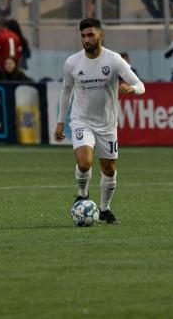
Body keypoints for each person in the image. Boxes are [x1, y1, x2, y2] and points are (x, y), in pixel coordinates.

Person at [54, 18, 145, 224]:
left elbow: (140, 84)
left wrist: (132, 89)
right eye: (83, 36)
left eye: (90, 35)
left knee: (109, 169)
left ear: (100, 35)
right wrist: (61, 122)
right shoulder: (72, 62)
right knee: (84, 163)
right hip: (81, 121)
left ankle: (105, 209)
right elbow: (66, 91)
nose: (86, 39)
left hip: (107, 124)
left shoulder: (114, 60)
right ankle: (82, 194)